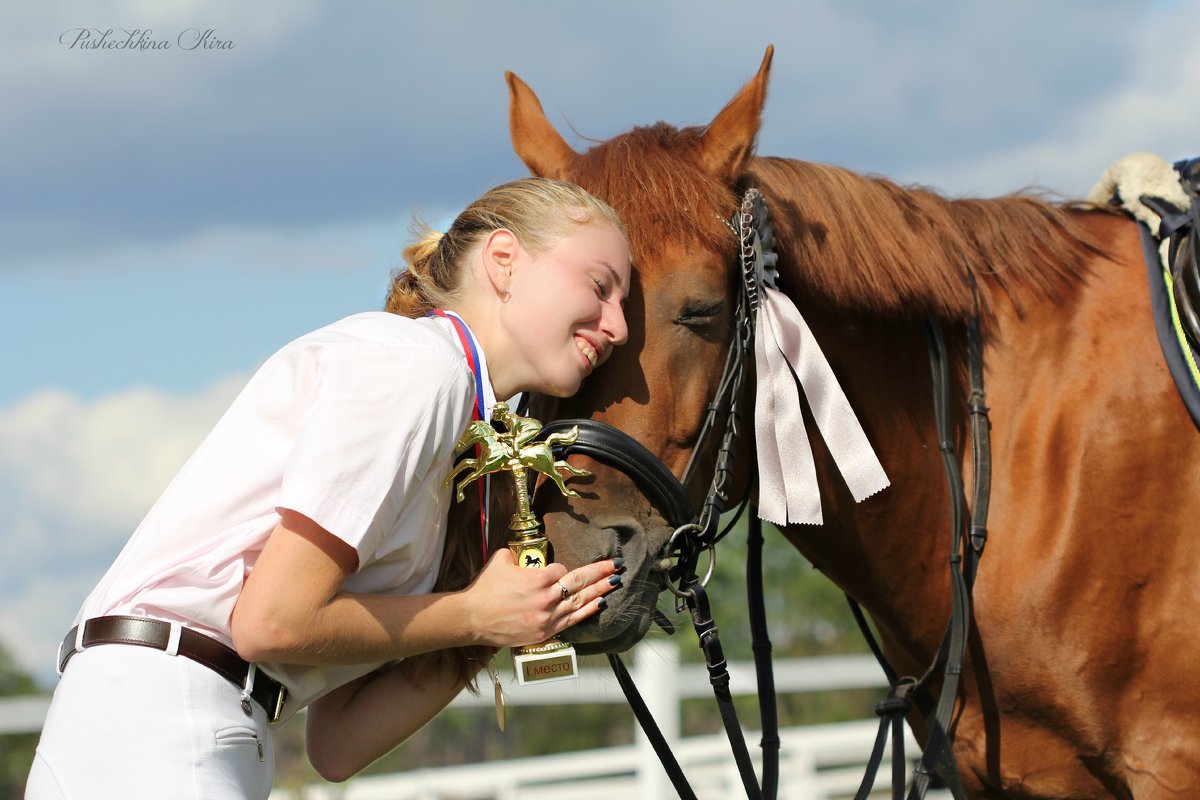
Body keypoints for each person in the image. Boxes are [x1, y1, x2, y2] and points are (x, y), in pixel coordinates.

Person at [26, 178, 632, 799]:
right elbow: (272, 623)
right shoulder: (420, 368)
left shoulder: (446, 413)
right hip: (164, 721)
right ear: (504, 262)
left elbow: (337, 745)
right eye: (599, 286)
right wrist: (475, 611)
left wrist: (504, 622)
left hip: (177, 721)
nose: (617, 327)